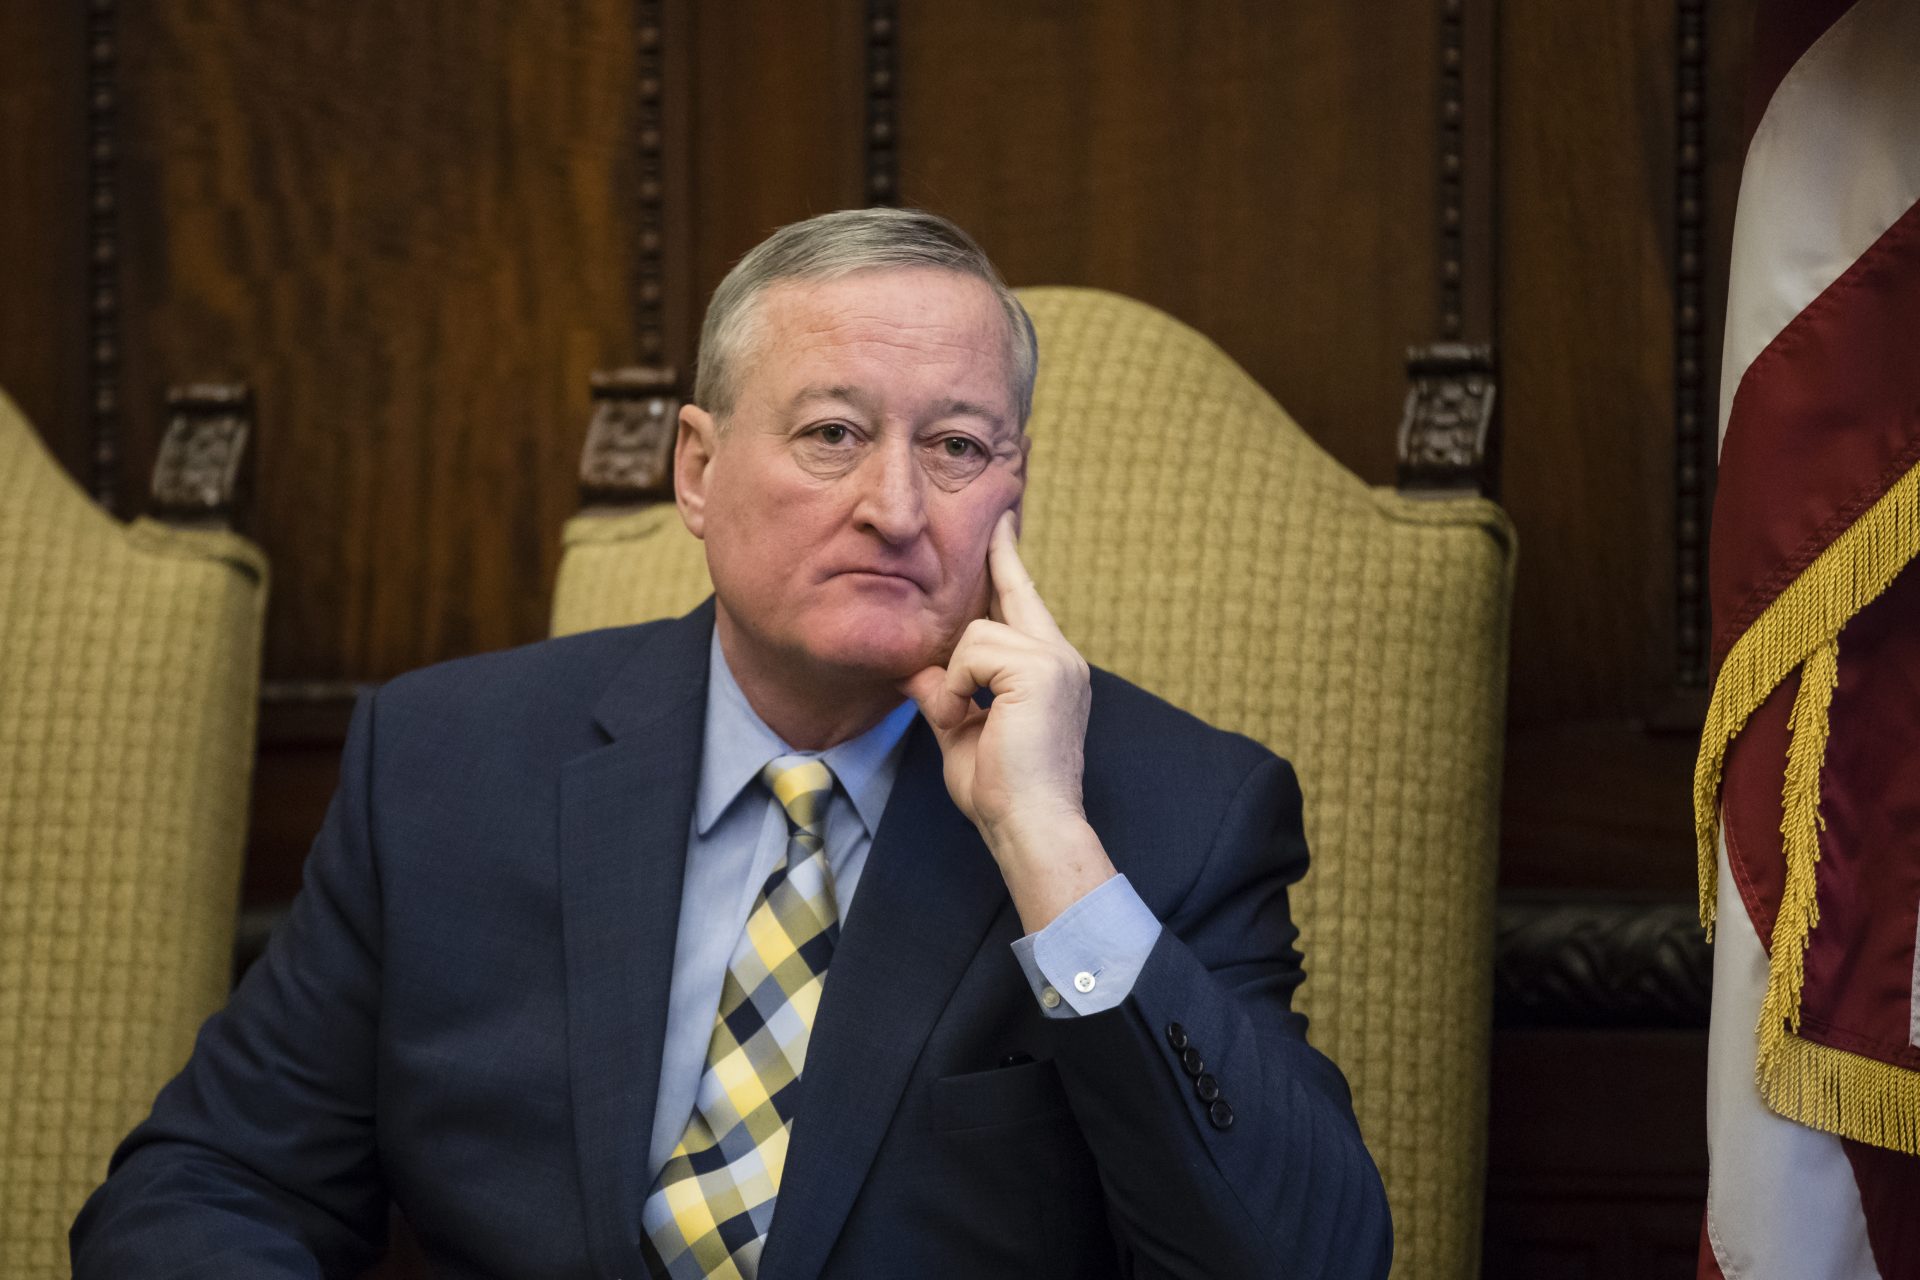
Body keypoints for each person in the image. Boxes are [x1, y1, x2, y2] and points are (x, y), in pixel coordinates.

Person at [72, 209, 1391, 1279]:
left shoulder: (1168, 814)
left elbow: (1307, 1260)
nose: (895, 505)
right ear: (696, 471)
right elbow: (211, 1184)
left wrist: (1053, 855)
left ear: (1013, 492)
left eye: (955, 446)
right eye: (831, 434)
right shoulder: (445, 766)